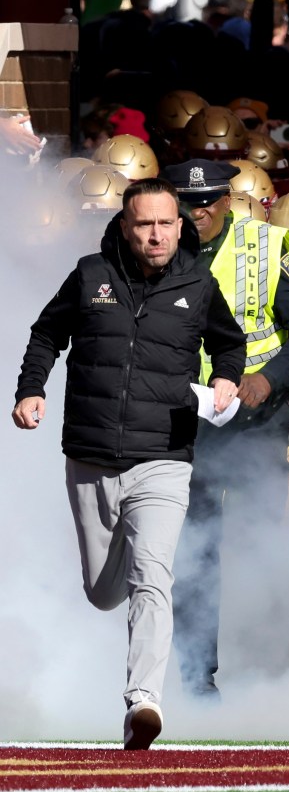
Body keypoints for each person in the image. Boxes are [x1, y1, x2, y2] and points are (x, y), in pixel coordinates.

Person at [12, 177, 246, 749]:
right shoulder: (92, 275)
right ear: (125, 226)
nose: (157, 234)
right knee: (101, 590)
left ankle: (143, 701)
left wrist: (225, 377)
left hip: (164, 458)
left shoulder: (198, 280)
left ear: (179, 225)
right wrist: (30, 388)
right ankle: (115, 580)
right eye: (145, 224)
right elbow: (47, 333)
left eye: (166, 223)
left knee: (153, 577)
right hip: (90, 457)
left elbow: (230, 343)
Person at [163, 158, 289, 699]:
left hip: (257, 420)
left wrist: (269, 379)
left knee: (258, 540)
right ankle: (197, 677)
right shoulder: (157, 247)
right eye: (189, 202)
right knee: (196, 547)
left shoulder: (260, 246)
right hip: (185, 421)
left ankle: (264, 667)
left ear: (228, 199)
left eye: (210, 199)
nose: (199, 210)